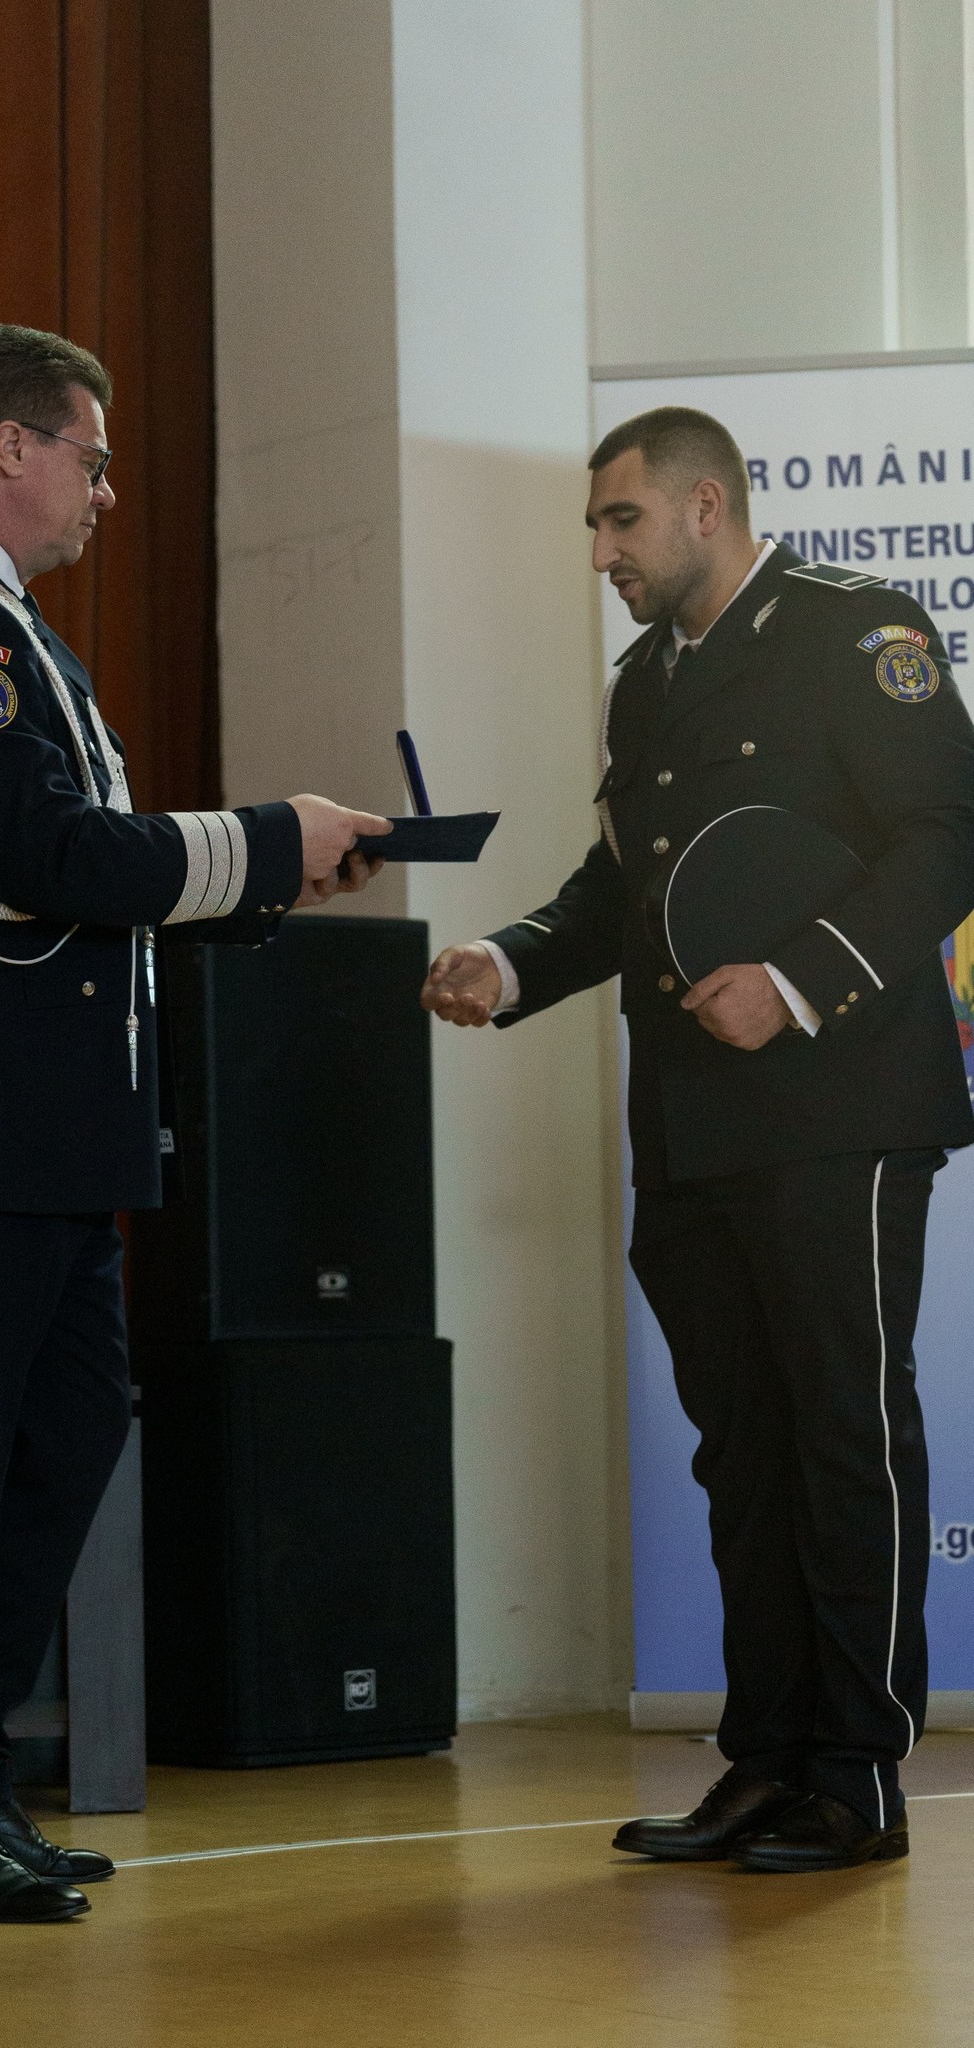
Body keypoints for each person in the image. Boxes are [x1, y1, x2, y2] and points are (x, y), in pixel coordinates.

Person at [0, 322, 390, 1923]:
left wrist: (268, 877)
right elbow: (33, 857)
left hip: (46, 1141)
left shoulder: (6, 629)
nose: (107, 493)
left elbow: (74, 870)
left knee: (57, 1450)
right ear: (11, 447)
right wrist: (262, 839)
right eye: (93, 458)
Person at [422, 406, 974, 1873]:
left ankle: (856, 1776)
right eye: (596, 527)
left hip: (839, 1108)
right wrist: (511, 961)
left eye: (622, 521)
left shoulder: (856, 632)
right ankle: (767, 1758)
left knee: (843, 1433)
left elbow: (948, 831)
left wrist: (795, 981)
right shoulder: (645, 685)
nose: (602, 552)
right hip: (689, 1117)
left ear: (705, 507)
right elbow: (625, 886)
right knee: (741, 1449)